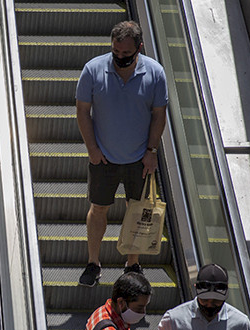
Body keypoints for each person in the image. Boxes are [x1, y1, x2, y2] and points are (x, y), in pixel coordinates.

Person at [75, 20, 168, 287]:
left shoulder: (155, 73)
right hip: (103, 157)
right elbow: (82, 111)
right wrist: (92, 149)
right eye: (116, 52)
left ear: (138, 48)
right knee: (98, 208)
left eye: (126, 54)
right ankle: (93, 262)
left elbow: (159, 115)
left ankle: (132, 263)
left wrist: (152, 151)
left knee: (137, 211)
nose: (119, 58)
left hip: (139, 158)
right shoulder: (94, 69)